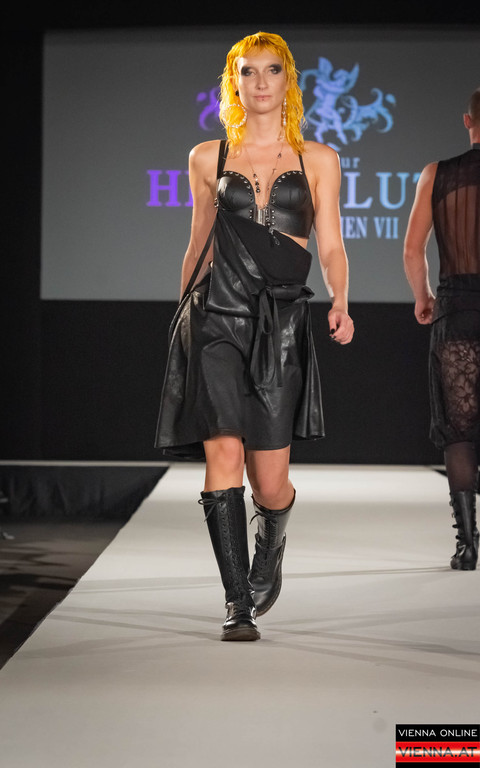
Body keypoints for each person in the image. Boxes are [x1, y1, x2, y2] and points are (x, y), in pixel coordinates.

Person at [155, 31, 354, 640]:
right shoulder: (206, 157)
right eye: (248, 71)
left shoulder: (319, 159)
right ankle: (237, 602)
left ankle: (271, 538)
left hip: (282, 322)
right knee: (223, 453)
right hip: (216, 315)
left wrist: (340, 300)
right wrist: (182, 316)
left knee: (270, 480)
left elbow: (330, 244)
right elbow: (197, 243)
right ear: (233, 82)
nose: (260, 81)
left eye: (272, 70)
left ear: (288, 80)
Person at [403, 86, 480, 571]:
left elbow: (413, 250)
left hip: (457, 313)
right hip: (457, 311)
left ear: (468, 121)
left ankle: (468, 545)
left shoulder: (438, 174)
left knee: (459, 431)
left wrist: (423, 297)